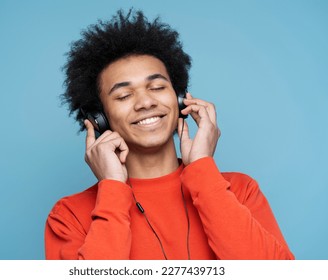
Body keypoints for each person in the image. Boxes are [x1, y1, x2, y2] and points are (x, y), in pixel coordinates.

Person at [45, 9, 294, 260]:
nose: (145, 102)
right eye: (124, 95)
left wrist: (202, 172)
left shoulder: (240, 191)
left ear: (179, 100)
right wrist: (112, 192)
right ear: (99, 119)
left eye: (157, 87)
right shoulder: (69, 215)